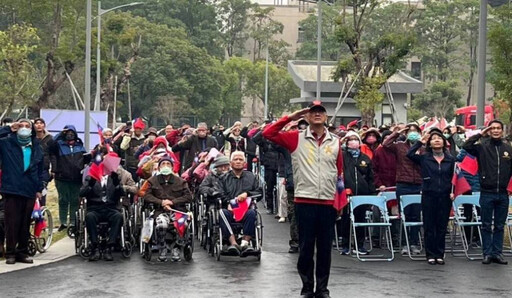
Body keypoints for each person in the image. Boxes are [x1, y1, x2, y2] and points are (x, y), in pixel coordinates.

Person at [263, 101, 345, 298]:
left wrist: (340, 200)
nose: (317, 114)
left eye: (321, 112)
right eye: (313, 112)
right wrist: (291, 117)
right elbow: (268, 133)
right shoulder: (295, 138)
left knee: (325, 249)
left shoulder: (335, 141)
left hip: (327, 201)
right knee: (306, 248)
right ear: (307, 117)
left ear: (326, 117)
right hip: (305, 199)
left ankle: (322, 289)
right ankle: (307, 287)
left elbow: (339, 172)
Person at [463, 120, 512, 265]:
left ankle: (497, 253)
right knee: (485, 225)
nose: (496, 131)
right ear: (489, 131)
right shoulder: (482, 147)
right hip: (486, 192)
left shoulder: (508, 149)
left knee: (499, 225)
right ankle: (487, 253)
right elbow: (466, 146)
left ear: (502, 131)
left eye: (498, 128)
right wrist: (480, 134)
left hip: (503, 193)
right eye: (493, 128)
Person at [407, 128, 455, 265]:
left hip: (445, 196)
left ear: (444, 142)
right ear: (429, 143)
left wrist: (454, 191)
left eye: (439, 138)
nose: (437, 140)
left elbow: (454, 178)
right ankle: (430, 254)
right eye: (433, 139)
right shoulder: (424, 158)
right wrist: (419, 142)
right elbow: (409, 154)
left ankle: (439, 254)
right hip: (428, 195)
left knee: (441, 226)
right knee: (429, 226)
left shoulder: (450, 159)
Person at [0, 120, 45, 264]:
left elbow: (41, 169)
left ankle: (22, 251)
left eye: (27, 126)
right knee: (11, 222)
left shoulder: (37, 146)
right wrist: (7, 128)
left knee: (25, 222)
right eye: (21, 126)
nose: (24, 129)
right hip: (12, 188)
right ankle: (11, 252)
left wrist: (40, 187)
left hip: (29, 189)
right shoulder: (7, 144)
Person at [383, 123, 424, 255]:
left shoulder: (423, 148)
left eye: (415, 131)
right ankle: (404, 243)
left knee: (416, 215)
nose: (412, 133)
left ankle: (414, 243)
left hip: (418, 183)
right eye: (410, 131)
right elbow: (386, 144)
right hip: (403, 184)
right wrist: (397, 133)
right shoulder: (400, 146)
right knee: (404, 215)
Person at [143, 156, 193, 261]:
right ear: (159, 167)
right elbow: (147, 196)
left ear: (172, 167)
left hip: (178, 210)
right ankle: (163, 247)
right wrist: (161, 202)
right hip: (160, 211)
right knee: (162, 224)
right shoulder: (152, 181)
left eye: (168, 164)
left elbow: (188, 197)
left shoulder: (180, 181)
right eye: (163, 164)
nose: (165, 166)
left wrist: (172, 202)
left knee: (182, 224)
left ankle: (177, 247)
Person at [217, 151, 262, 256]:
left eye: (240, 159)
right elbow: (220, 193)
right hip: (229, 208)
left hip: (245, 208)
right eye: (235, 159)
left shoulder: (251, 177)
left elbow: (259, 192)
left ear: (245, 162)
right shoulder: (223, 178)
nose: (238, 162)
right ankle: (233, 243)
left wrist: (247, 194)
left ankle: (245, 243)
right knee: (222, 213)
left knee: (252, 213)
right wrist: (228, 202)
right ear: (230, 163)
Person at [339, 131, 375, 255]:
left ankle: (360, 245)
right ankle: (345, 244)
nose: (353, 142)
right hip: (347, 193)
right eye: (350, 139)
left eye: (355, 139)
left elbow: (371, 178)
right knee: (346, 219)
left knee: (361, 219)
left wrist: (371, 194)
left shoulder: (365, 158)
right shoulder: (342, 156)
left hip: (362, 194)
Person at [80, 162, 125, 261]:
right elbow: (82, 193)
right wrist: (90, 185)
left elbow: (122, 193)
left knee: (118, 217)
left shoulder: (113, 179)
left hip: (110, 207)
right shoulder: (90, 178)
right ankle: (95, 246)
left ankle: (109, 247)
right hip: (95, 208)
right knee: (89, 217)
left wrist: (117, 184)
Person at [50, 125, 89, 232]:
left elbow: (85, 159)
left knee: (75, 201)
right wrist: (60, 133)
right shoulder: (58, 145)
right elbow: (50, 144)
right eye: (67, 133)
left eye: (72, 132)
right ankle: (63, 222)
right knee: (63, 200)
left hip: (76, 178)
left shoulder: (80, 146)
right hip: (62, 178)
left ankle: (73, 221)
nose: (70, 135)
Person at [253, 128, 280, 214]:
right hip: (269, 166)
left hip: (279, 165)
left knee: (280, 189)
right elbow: (255, 139)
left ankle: (279, 208)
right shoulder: (264, 140)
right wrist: (263, 130)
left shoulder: (279, 138)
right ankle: (270, 206)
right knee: (270, 188)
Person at [33, 117, 54, 206]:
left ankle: (41, 212)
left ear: (44, 125)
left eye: (41, 123)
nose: (39, 125)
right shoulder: (31, 138)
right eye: (37, 123)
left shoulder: (50, 139)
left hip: (44, 170)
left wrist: (53, 169)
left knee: (43, 191)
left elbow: (53, 155)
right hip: (32, 169)